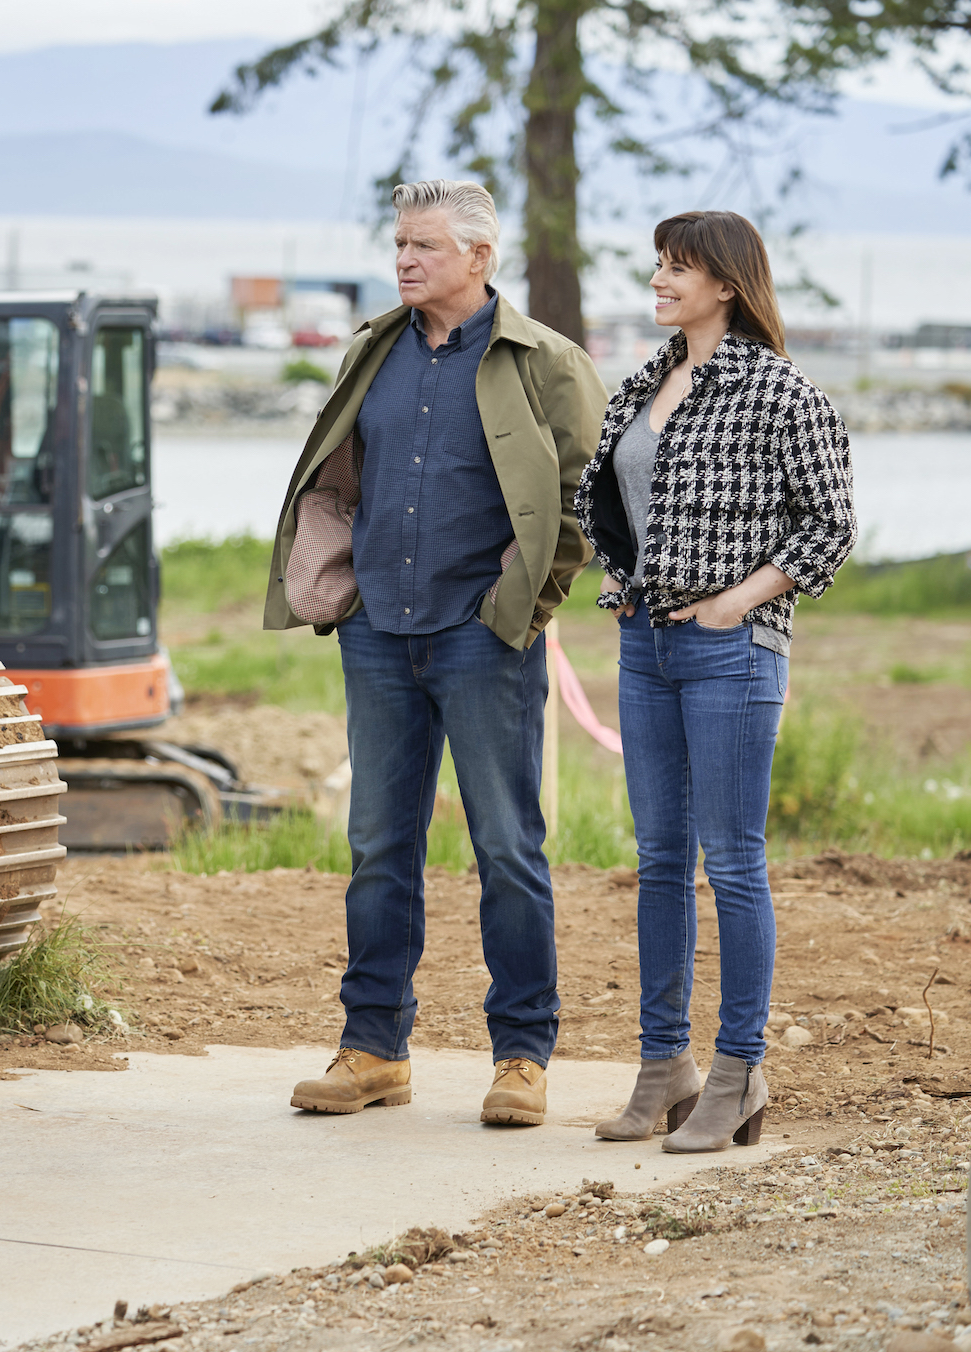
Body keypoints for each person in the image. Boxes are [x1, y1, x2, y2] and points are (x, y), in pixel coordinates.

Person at [265, 180, 606, 1125]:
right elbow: (338, 473)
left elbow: (588, 498)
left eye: (423, 246)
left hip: (482, 637)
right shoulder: (374, 350)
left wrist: (519, 607)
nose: (406, 261)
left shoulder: (548, 363)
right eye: (400, 245)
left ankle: (523, 1059)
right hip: (377, 632)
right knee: (379, 846)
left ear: (479, 258)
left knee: (507, 846)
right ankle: (373, 1048)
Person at [575, 210, 855, 1152]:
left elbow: (828, 529)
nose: (659, 281)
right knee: (659, 862)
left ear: (726, 284)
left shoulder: (782, 395)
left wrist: (738, 602)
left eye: (678, 268)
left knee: (731, 863)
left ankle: (740, 1070)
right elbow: (616, 508)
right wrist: (620, 585)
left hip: (732, 650)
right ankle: (665, 1068)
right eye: (657, 265)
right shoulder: (642, 386)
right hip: (645, 648)